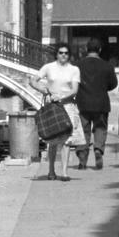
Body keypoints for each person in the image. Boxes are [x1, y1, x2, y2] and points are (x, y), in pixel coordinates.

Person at [34, 40, 81, 181]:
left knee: (67, 140)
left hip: (68, 106)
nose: (63, 55)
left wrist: (61, 96)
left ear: (69, 55)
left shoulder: (74, 70)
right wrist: (44, 91)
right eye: (61, 53)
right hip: (52, 107)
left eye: (66, 53)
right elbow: (32, 80)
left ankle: (65, 172)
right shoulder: (48, 67)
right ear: (56, 54)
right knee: (52, 139)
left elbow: (74, 90)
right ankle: (51, 171)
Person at [74, 37, 118, 170]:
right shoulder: (107, 66)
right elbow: (113, 84)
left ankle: (82, 158)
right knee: (100, 128)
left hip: (83, 103)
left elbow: (73, 82)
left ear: (87, 49)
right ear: (99, 50)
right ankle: (98, 149)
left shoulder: (78, 65)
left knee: (83, 131)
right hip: (101, 103)